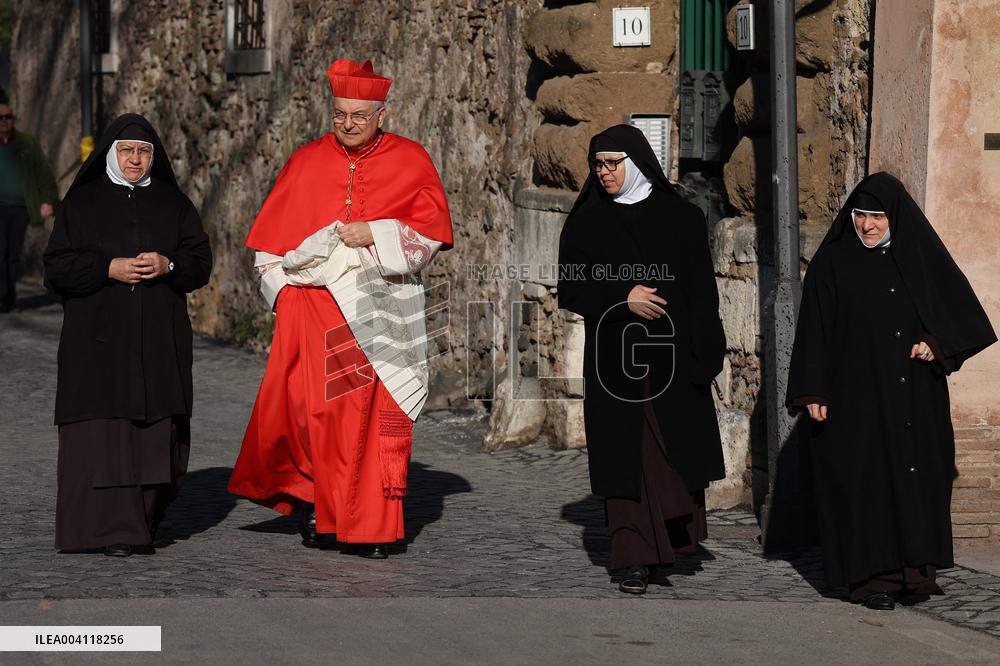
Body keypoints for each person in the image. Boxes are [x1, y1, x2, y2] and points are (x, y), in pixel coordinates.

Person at [228, 58, 453, 559]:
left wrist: (377, 230)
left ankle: (373, 528)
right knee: (320, 418)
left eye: (358, 115)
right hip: (314, 310)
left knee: (375, 418)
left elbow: (431, 237)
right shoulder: (306, 161)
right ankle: (325, 514)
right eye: (338, 114)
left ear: (382, 114)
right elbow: (269, 247)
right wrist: (283, 296)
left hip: (381, 306)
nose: (347, 124)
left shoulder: (411, 160)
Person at [786, 172, 996, 610]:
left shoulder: (920, 257)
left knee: (918, 480)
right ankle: (872, 580)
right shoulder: (834, 263)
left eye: (877, 216)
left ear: (894, 217)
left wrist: (935, 344)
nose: (867, 225)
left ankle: (914, 573)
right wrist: (812, 393)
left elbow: (964, 318)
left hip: (916, 397)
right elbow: (814, 333)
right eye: (860, 215)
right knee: (865, 484)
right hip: (855, 398)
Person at [557, 125, 726, 594]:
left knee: (670, 457)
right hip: (615, 360)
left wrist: (707, 352)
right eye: (598, 164)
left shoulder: (682, 217)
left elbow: (701, 291)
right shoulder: (589, 221)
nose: (605, 173)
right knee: (625, 458)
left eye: (613, 163)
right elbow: (571, 289)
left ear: (635, 162)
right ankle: (630, 558)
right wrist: (621, 296)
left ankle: (666, 546)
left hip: (673, 359)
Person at [43, 113, 213, 557]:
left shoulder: (174, 205)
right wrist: (106, 267)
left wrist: (167, 265)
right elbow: (56, 268)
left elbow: (199, 263)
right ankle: (109, 530)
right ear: (109, 156)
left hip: (159, 338)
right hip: (97, 341)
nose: (135, 160)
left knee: (156, 432)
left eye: (142, 152)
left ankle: (144, 522)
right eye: (126, 151)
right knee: (103, 433)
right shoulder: (81, 205)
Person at [0, 101, 58, 312]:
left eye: (8, 117)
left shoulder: (26, 144)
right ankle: (3, 294)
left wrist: (48, 200)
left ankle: (8, 296)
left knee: (13, 254)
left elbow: (43, 173)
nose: (5, 122)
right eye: (1, 118)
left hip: (20, 208)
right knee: (0, 250)